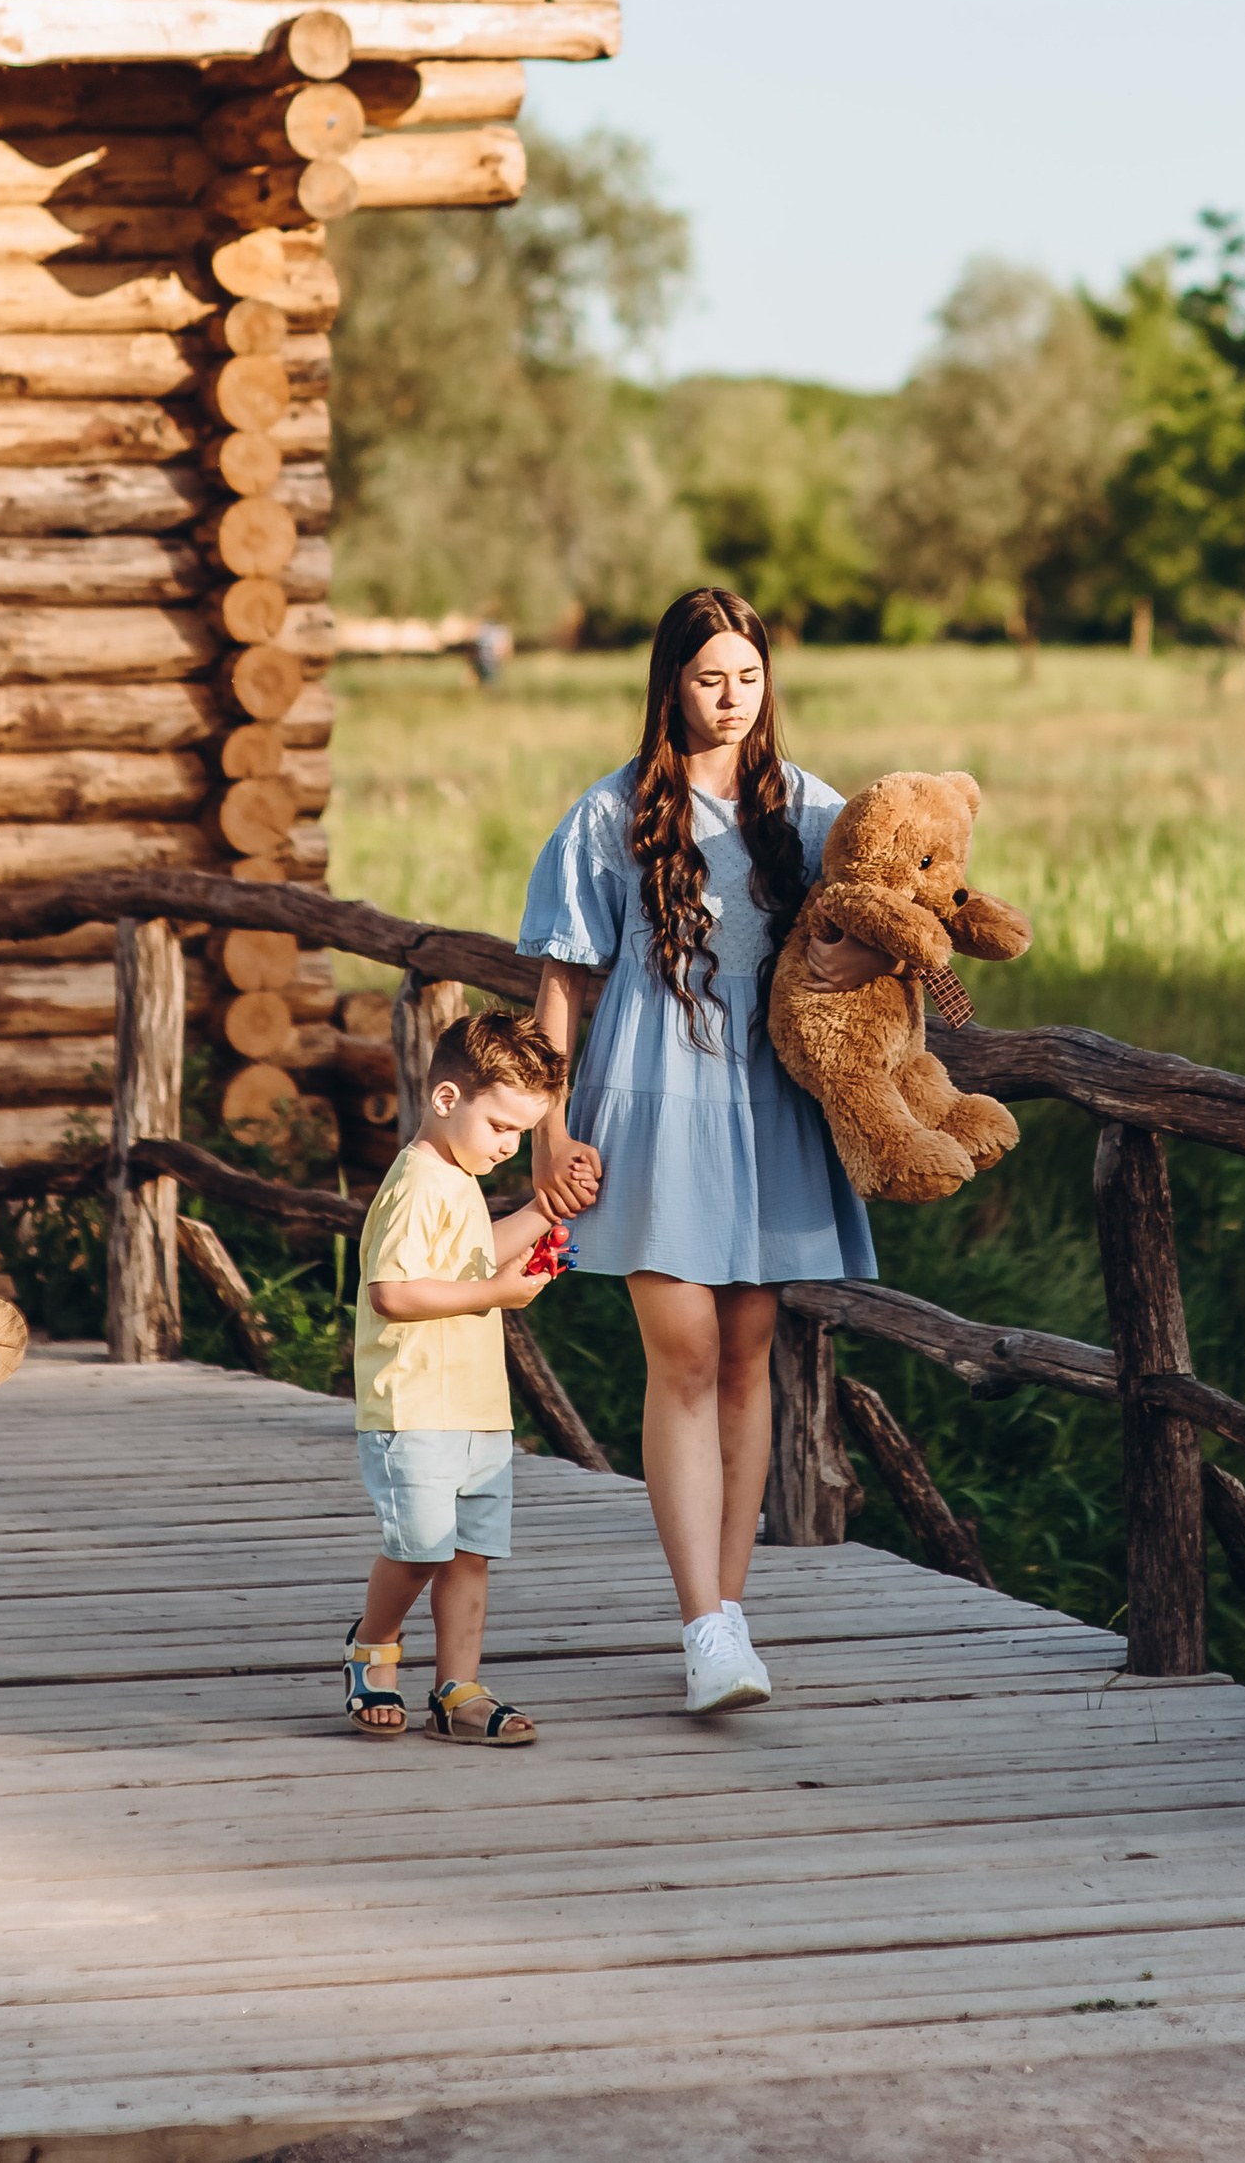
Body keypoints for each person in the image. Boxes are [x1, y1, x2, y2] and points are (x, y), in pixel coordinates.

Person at [519, 586, 875, 1717]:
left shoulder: (811, 812)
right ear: (670, 684)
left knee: (745, 1353)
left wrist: (852, 968)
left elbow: (872, 940)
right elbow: (563, 981)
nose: (730, 700)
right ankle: (701, 1622)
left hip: (764, 1104)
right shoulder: (612, 813)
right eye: (708, 678)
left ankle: (728, 1616)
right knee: (677, 1352)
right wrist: (550, 1127)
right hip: (648, 1098)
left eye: (748, 678)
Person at [343, 1006, 567, 1746]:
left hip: (476, 1408)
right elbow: (394, 1293)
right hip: (415, 1407)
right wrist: (496, 1295)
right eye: (500, 1126)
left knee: (470, 1554)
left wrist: (541, 1214)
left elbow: (470, 1257)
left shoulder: (459, 1174)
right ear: (447, 1099)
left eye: (520, 1134)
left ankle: (457, 1686)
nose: (508, 1146)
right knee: (420, 1551)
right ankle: (373, 1651)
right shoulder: (417, 1182)